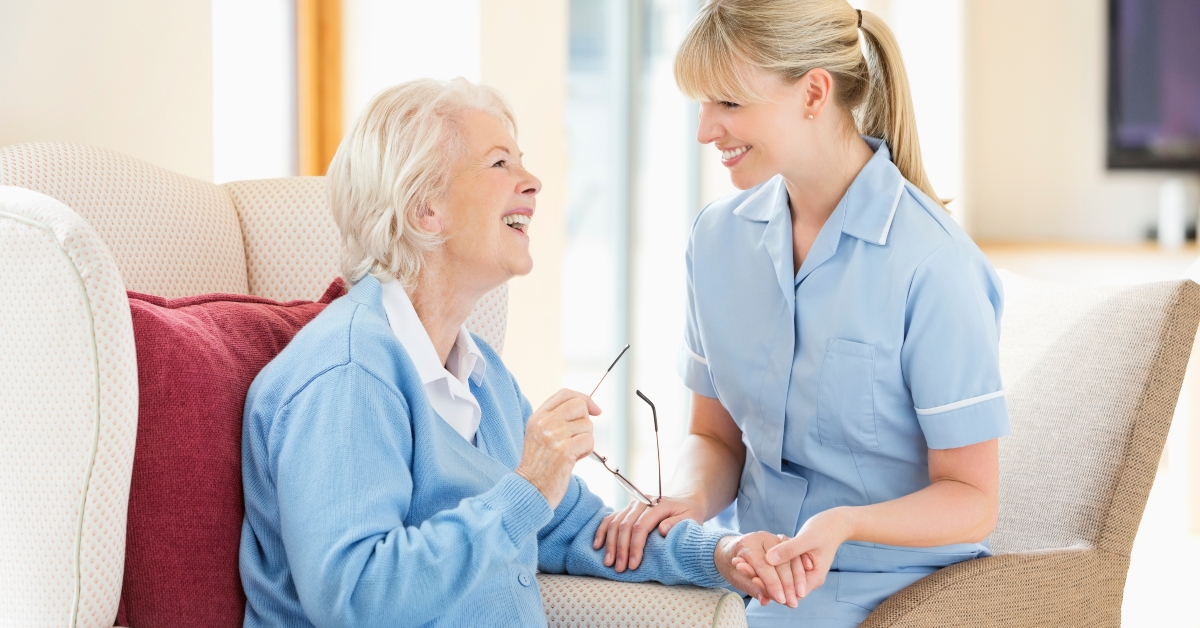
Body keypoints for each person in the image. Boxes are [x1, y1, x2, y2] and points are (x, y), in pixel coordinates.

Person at [239, 77, 798, 628]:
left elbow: (572, 529)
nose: (532, 182)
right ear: (423, 208)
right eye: (500, 163)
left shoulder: (481, 374)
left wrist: (721, 555)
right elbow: (357, 597)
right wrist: (529, 485)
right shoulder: (349, 373)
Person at [595, 2, 1010, 626]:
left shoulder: (932, 265)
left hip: (891, 588)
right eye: (703, 105)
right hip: (754, 571)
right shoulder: (717, 239)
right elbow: (714, 437)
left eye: (729, 104)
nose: (706, 130)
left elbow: (973, 499)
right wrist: (686, 501)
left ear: (814, 92)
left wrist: (843, 525)